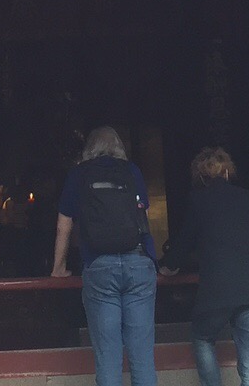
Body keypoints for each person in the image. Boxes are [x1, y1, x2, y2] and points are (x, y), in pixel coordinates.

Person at [52, 126, 158, 386]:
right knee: (143, 356)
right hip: (138, 263)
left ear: (89, 149)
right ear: (119, 147)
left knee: (108, 357)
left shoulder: (79, 174)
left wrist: (59, 267)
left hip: (99, 266)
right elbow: (142, 215)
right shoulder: (132, 171)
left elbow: (64, 224)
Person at [160, 147, 249, 386]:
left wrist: (167, 267)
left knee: (202, 338)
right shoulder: (245, 197)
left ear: (201, 177)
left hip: (219, 287)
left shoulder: (198, 200)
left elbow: (184, 242)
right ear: (227, 173)